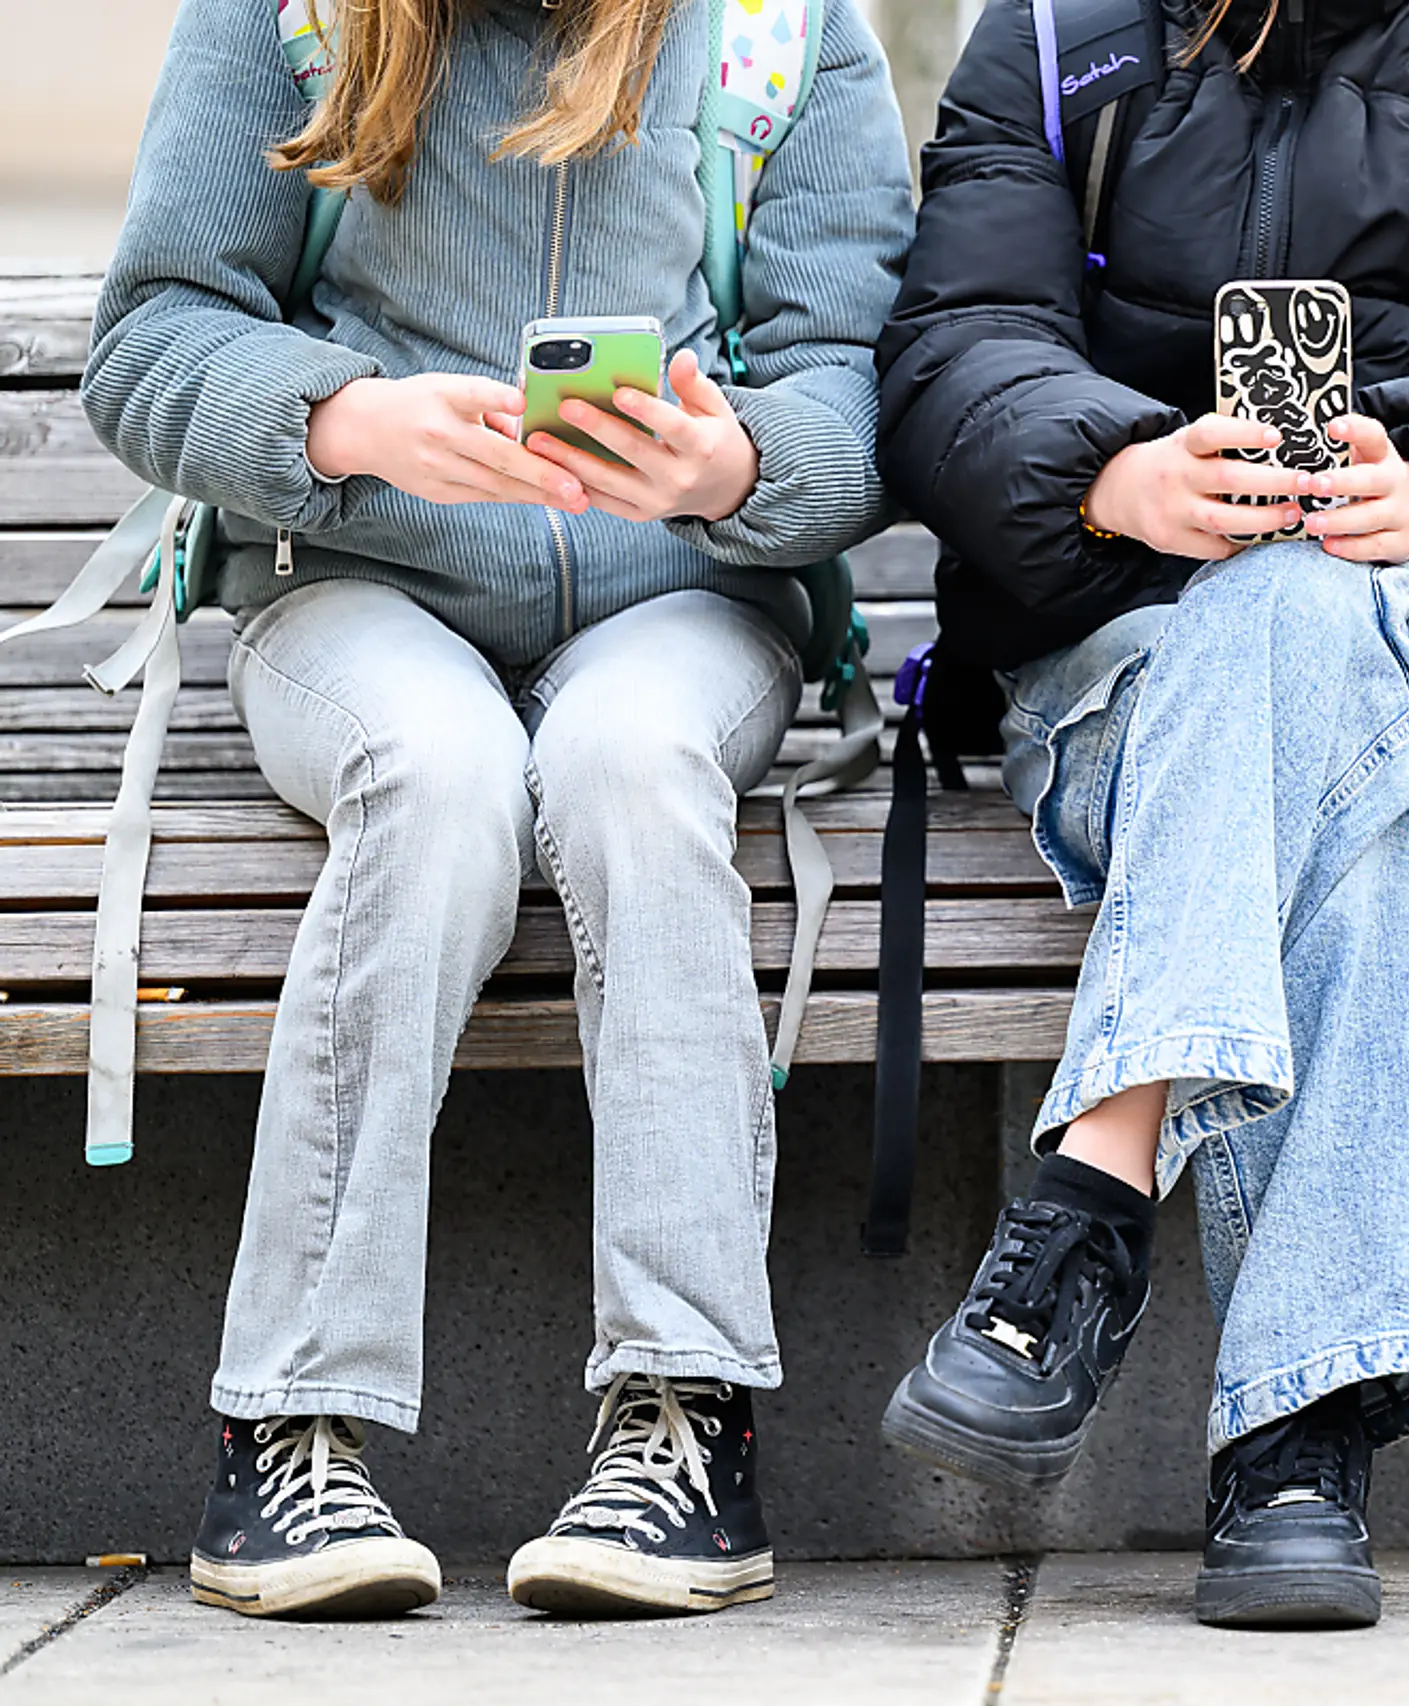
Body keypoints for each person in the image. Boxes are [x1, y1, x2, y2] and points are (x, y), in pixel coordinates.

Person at [84, 0, 910, 1619]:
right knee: (437, 775)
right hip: (358, 588)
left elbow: (859, 380)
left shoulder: (781, 29)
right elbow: (155, 334)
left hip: (683, 596)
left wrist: (736, 468)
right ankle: (288, 1424)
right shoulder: (291, 15)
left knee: (631, 766)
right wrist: (342, 420)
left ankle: (686, 1413)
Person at [872, 0, 1409, 1629]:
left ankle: (1098, 1189)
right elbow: (956, 354)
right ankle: (1296, 1449)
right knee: (1344, 822)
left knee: (1302, 606)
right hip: (1117, 670)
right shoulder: (1044, 48)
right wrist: (1116, 476)